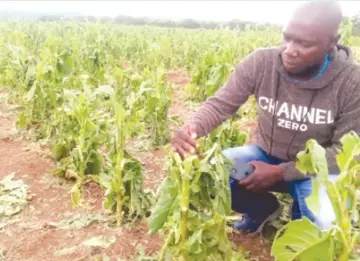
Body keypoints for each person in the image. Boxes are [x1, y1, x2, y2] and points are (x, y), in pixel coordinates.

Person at [171, 0, 360, 234]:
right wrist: (191, 128)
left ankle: (302, 217)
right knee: (212, 172)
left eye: (304, 43)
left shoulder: (352, 82)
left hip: (318, 172)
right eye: (287, 38)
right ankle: (262, 209)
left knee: (328, 226)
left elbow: (345, 154)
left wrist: (282, 172)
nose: (290, 49)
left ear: (332, 42)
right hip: (264, 159)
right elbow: (220, 104)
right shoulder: (262, 62)